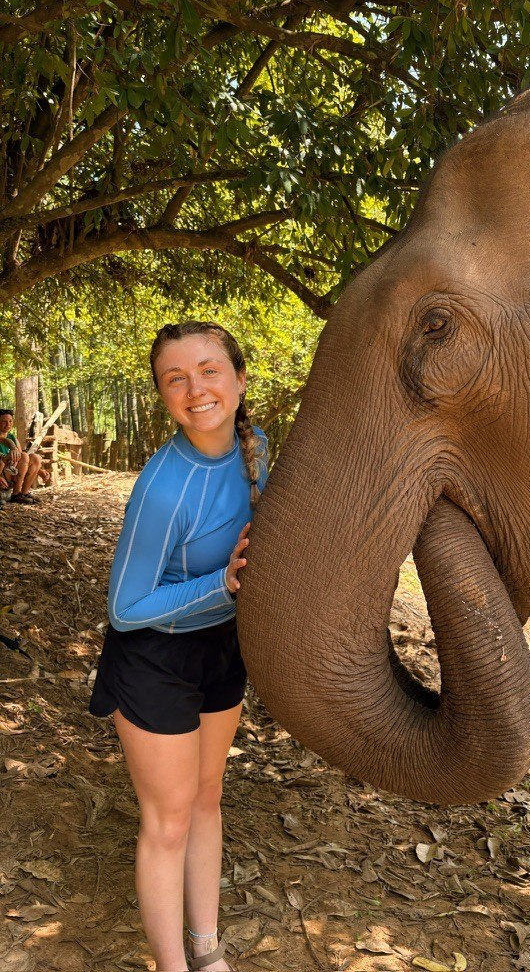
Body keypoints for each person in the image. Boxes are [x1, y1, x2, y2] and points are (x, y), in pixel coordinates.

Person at [88, 321, 268, 972]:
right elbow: (125, 607)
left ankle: (206, 949)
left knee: (207, 799)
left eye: (209, 370)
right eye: (175, 378)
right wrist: (222, 583)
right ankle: (171, 967)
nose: (195, 389)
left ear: (241, 379)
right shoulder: (163, 488)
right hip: (153, 659)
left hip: (221, 647)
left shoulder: (259, 449)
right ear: (164, 396)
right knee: (167, 823)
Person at [0, 408, 47, 505]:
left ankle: (24, 493)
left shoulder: (12, 437)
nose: (8, 424)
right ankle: (16, 494)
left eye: (10, 421)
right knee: (24, 456)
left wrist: (40, 471)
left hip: (11, 473)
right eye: (4, 422)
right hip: (2, 476)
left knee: (35, 458)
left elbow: (23, 459)